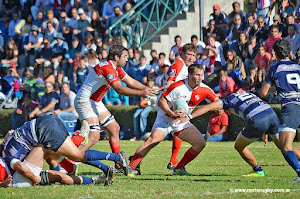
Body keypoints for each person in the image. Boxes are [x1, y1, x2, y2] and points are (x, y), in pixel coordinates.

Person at [177, 92, 299, 177]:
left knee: (238, 146)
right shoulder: (245, 94)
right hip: (271, 115)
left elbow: (208, 107)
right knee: (284, 146)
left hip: (258, 120)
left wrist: (189, 117)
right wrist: (266, 131)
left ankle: (258, 170)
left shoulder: (226, 101)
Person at [128, 64, 218, 176]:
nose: (200, 77)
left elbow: (218, 103)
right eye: (197, 75)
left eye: (202, 74)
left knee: (200, 143)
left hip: (181, 121)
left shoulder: (205, 89)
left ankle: (179, 168)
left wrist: (201, 111)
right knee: (154, 139)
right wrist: (171, 113)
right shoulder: (178, 87)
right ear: (189, 75)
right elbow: (161, 101)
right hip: (165, 117)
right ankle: (131, 166)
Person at [74, 45, 157, 166]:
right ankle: (71, 161)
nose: (127, 59)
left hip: (94, 102)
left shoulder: (115, 67)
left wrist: (149, 90)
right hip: (85, 101)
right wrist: (141, 93)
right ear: (116, 57)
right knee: (94, 136)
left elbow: (130, 81)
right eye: (125, 56)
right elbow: (119, 89)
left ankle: (118, 163)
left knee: (114, 128)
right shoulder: (108, 68)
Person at [1, 115, 129, 187]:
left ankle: (116, 157)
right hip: (46, 121)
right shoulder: (5, 151)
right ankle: (73, 166)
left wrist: (35, 179)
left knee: (77, 155)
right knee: (51, 153)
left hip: (44, 131)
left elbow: (19, 166)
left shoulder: (9, 158)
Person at [260, 39, 300, 182]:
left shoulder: (275, 68)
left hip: (291, 107)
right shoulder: (298, 66)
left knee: (285, 147)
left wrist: (271, 89)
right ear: (290, 52)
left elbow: (263, 93)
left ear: (275, 54)